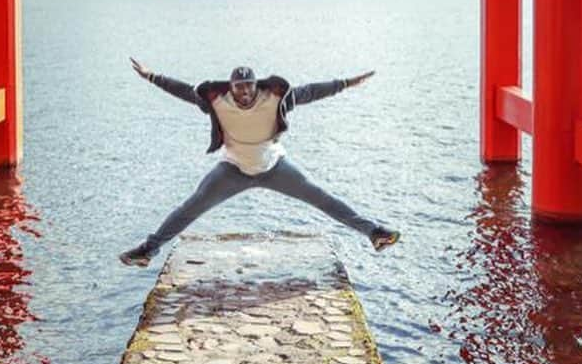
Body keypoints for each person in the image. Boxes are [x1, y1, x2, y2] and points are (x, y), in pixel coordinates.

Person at [119, 59, 400, 266]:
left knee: (323, 199)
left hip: (274, 167)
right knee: (190, 207)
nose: (244, 92)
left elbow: (310, 92)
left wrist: (346, 83)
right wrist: (151, 76)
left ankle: (374, 232)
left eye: (248, 86)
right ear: (232, 87)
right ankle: (148, 250)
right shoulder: (218, 100)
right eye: (239, 87)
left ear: (256, 86)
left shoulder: (274, 99)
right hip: (233, 169)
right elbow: (182, 90)